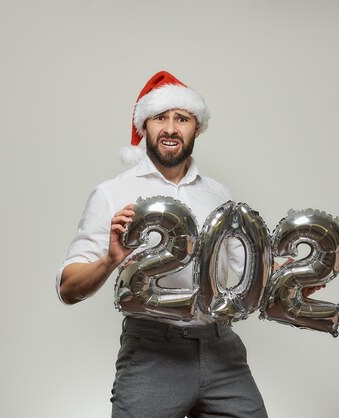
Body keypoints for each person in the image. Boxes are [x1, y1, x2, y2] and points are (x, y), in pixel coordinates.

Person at [56, 71, 268, 417]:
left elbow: (248, 271)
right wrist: (110, 259)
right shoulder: (112, 194)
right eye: (160, 118)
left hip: (221, 351)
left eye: (181, 118)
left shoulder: (220, 196)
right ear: (145, 127)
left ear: (195, 128)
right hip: (152, 354)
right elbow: (68, 288)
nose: (171, 128)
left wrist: (285, 275)